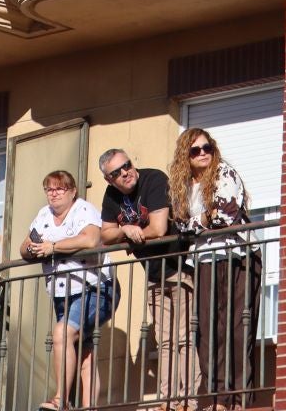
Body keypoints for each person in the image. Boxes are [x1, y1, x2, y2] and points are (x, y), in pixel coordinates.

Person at [98, 147, 195, 410]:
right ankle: (168, 399)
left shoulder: (153, 180)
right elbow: (104, 235)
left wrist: (129, 233)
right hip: (154, 274)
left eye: (127, 165)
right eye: (117, 172)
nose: (126, 173)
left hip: (180, 268)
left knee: (184, 338)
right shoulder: (112, 195)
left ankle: (188, 400)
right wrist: (125, 230)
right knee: (165, 340)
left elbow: (158, 228)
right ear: (110, 179)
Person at [171, 130, 255, 411]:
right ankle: (219, 399)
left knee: (236, 327)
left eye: (207, 147)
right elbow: (180, 225)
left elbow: (223, 215)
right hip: (207, 258)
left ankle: (238, 400)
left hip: (238, 254)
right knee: (209, 331)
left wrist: (199, 220)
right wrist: (202, 219)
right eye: (195, 150)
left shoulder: (224, 173)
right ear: (186, 156)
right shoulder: (184, 187)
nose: (203, 153)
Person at [24, 169, 111, 411]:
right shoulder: (43, 215)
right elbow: (24, 247)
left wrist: (53, 247)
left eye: (60, 188)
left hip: (94, 286)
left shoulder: (84, 209)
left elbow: (90, 239)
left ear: (72, 191)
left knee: (63, 334)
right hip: (62, 291)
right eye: (49, 189)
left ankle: (61, 400)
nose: (54, 194)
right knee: (82, 350)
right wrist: (32, 248)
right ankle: (89, 406)